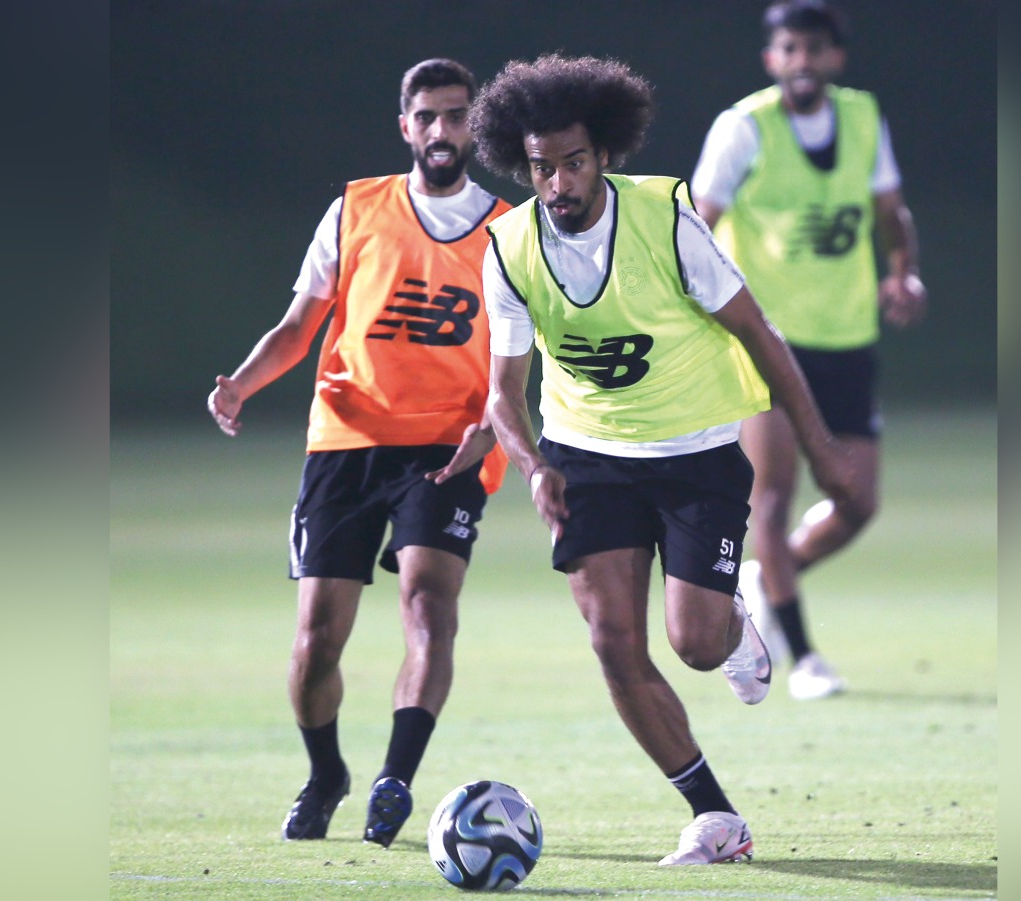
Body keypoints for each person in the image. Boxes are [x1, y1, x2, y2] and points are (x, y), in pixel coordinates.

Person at [434, 52, 854, 866]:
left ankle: (731, 627)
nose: (558, 183)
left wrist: (822, 447)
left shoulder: (664, 219)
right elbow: (503, 393)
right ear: (522, 165)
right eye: (541, 167)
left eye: (574, 162)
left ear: (604, 154)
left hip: (695, 453)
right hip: (587, 457)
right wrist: (534, 465)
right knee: (613, 643)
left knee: (694, 643)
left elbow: (758, 331)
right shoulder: (511, 247)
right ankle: (715, 815)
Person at [206, 58, 510, 845]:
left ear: (475, 126)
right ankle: (326, 773)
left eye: (456, 114)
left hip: (447, 443)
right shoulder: (355, 209)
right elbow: (298, 325)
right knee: (315, 642)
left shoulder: (510, 229)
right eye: (427, 116)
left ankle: (394, 779)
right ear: (405, 126)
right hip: (348, 441)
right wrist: (241, 384)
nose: (441, 129)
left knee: (429, 604)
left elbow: (520, 352)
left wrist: (497, 424)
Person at [691, 0, 928, 700]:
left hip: (847, 336)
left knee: (858, 500)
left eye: (814, 49)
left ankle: (770, 577)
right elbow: (696, 224)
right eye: (789, 49)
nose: (802, 61)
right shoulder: (744, 127)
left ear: (835, 58)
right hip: (767, 340)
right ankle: (802, 658)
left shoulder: (862, 116)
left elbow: (892, 212)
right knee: (771, 496)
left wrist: (904, 271)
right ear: (772, 59)